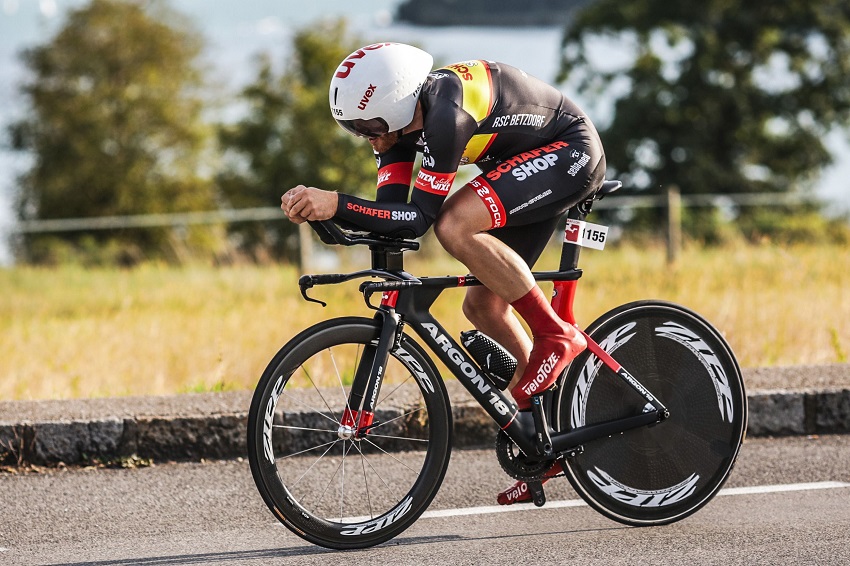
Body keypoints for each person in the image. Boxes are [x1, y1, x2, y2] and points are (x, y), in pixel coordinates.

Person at [281, 42, 606, 504]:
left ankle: (555, 335)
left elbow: (420, 220)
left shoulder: (444, 114)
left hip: (569, 150)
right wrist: (327, 216)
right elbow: (392, 216)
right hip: (522, 162)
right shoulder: (396, 130)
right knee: (483, 305)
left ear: (394, 105)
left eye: (369, 126)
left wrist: (337, 202)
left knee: (455, 223)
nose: (367, 137)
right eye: (354, 129)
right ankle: (540, 425)